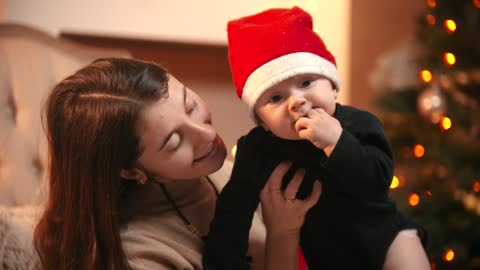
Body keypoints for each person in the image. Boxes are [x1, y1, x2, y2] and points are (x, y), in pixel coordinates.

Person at [32, 57, 321, 270]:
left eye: (190, 106)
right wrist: (283, 232)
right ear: (132, 171)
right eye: (173, 142)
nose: (207, 134)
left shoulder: (219, 170)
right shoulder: (142, 255)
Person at [203, 6, 430, 270]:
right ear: (262, 121)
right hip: (324, 254)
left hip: (384, 235)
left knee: (407, 251)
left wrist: (337, 142)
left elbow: (377, 183)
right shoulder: (257, 150)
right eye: (276, 98)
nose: (296, 101)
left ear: (333, 87)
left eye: (306, 83)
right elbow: (233, 213)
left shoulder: (358, 124)